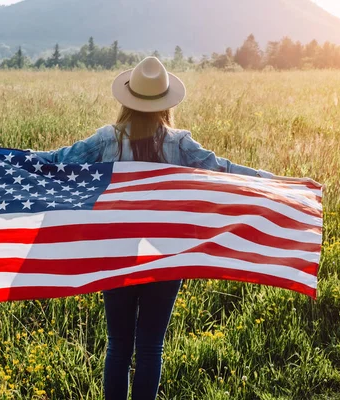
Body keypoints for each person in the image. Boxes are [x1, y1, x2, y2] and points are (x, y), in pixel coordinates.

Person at [33, 57, 276, 399]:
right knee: (150, 348)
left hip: (116, 253)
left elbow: (58, 161)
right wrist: (277, 183)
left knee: (118, 345)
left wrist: (5, 160)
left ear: (127, 100)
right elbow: (224, 170)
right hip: (163, 255)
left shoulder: (107, 140)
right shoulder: (178, 144)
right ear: (164, 103)